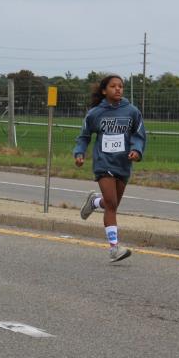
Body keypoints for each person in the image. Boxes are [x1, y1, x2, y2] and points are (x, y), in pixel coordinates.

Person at [73, 74, 147, 262]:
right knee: (112, 204)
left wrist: (136, 151)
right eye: (113, 86)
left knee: (110, 204)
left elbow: (139, 135)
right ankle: (114, 248)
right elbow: (84, 136)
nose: (118, 89)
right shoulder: (95, 113)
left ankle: (94, 202)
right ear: (104, 90)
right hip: (103, 162)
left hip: (123, 163)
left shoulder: (132, 111)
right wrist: (79, 152)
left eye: (120, 86)